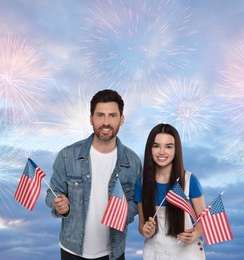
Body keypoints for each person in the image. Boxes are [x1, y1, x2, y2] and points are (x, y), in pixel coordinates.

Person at [45, 89, 142, 260]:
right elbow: (51, 194)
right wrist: (60, 204)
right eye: (100, 115)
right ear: (91, 119)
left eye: (112, 115)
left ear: (122, 119)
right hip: (72, 250)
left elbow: (137, 202)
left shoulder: (132, 162)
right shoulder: (67, 156)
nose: (106, 122)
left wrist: (124, 212)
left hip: (113, 252)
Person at [134, 123, 206, 259]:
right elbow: (142, 225)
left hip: (187, 253)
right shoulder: (142, 184)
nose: (162, 152)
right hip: (155, 253)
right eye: (156, 146)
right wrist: (146, 231)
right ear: (150, 149)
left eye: (168, 146)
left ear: (176, 150)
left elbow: (204, 220)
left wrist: (195, 234)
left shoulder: (190, 181)